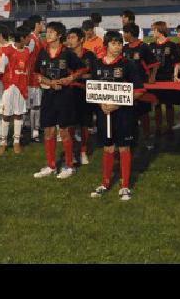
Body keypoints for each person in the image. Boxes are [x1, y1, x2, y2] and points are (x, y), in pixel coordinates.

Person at [89, 30, 146, 200]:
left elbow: (140, 90)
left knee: (123, 147)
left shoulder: (128, 64)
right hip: (104, 113)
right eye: (114, 43)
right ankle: (105, 183)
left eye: (120, 43)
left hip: (124, 114)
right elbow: (93, 89)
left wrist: (117, 104)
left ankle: (125, 186)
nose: (118, 46)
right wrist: (102, 104)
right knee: (107, 147)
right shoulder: (97, 64)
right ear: (106, 45)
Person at [32, 21, 84, 179]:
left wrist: (70, 78)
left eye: (51, 32)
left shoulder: (67, 53)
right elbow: (35, 73)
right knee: (48, 130)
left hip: (65, 96)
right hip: (48, 95)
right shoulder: (42, 52)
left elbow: (82, 68)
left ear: (59, 35)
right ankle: (51, 165)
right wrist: (48, 82)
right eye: (46, 32)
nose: (47, 34)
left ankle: (69, 166)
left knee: (64, 131)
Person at [66, 27, 99, 165]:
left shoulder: (89, 55)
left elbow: (95, 73)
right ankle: (73, 152)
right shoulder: (65, 54)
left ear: (81, 40)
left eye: (73, 37)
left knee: (85, 124)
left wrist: (77, 76)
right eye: (68, 37)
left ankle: (83, 152)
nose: (70, 40)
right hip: (69, 93)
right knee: (70, 125)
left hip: (85, 92)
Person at [122, 23, 158, 148]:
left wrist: (152, 78)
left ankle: (147, 137)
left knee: (144, 113)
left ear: (129, 33)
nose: (123, 35)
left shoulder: (143, 47)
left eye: (124, 33)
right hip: (128, 86)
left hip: (141, 85)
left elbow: (154, 64)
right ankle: (131, 138)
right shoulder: (124, 48)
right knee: (130, 113)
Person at [0, 26, 31, 155]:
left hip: (21, 88)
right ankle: (2, 142)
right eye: (27, 37)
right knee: (6, 115)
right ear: (22, 38)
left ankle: (16, 141)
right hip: (9, 87)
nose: (29, 40)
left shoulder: (27, 51)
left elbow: (27, 69)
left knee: (19, 114)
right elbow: (0, 68)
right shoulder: (8, 50)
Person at [149, 21, 180, 137]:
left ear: (159, 31)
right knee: (156, 104)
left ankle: (170, 127)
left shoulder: (171, 45)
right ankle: (158, 128)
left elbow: (177, 63)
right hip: (155, 80)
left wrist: (175, 76)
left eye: (153, 30)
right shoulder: (151, 46)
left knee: (168, 104)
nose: (152, 32)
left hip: (167, 79)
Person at [24, 15, 45, 142]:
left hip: (36, 76)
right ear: (37, 24)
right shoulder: (32, 40)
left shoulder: (36, 38)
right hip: (32, 78)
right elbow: (26, 57)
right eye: (41, 23)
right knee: (35, 106)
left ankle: (34, 127)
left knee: (36, 105)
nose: (43, 25)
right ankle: (34, 132)